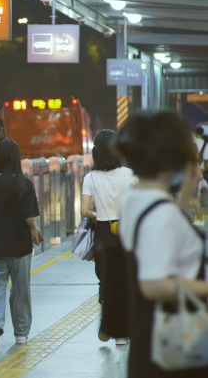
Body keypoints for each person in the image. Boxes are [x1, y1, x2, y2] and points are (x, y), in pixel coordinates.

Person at [116, 112, 208, 377]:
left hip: (149, 338)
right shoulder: (162, 213)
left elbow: (157, 243)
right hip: (175, 344)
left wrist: (183, 198)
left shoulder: (135, 199)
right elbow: (155, 283)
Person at [0, 140, 40, 350]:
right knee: (21, 289)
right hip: (20, 247)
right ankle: (21, 334)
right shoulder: (25, 184)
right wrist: (35, 231)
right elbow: (30, 219)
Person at [80, 129, 136, 345]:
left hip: (103, 232)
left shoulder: (90, 177)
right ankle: (121, 334)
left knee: (105, 278)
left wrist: (96, 216)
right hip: (127, 231)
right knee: (126, 277)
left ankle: (106, 319)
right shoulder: (130, 174)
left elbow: (84, 210)